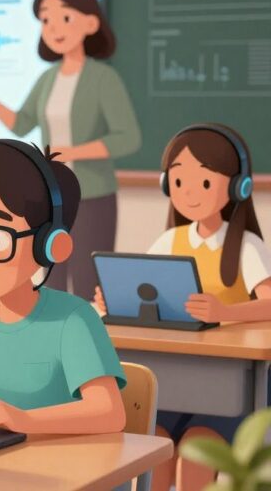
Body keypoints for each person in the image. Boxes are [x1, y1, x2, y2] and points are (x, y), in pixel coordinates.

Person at [95, 123, 271, 491]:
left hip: (225, 389)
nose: (189, 193)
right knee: (153, 442)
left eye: (204, 183)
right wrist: (115, 301)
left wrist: (225, 313)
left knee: (195, 449)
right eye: (178, 183)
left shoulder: (246, 245)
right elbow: (145, 292)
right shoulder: (169, 240)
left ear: (238, 186)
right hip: (173, 380)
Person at [0, 139, 125, 438]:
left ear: (50, 244)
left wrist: (23, 421)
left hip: (66, 472)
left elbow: (110, 412)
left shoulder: (72, 319)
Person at [0, 0, 141, 299]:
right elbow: (20, 124)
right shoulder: (47, 78)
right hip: (52, 195)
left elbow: (128, 138)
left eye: (64, 18)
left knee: (88, 281)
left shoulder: (103, 79)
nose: (54, 28)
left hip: (93, 195)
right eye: (46, 20)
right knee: (51, 277)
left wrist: (74, 152)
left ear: (90, 23)